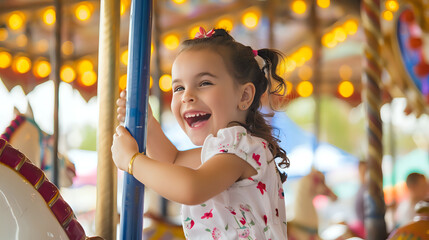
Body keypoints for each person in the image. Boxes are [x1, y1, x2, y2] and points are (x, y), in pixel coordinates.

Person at [112, 27, 290, 239]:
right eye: (178, 88)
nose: (187, 96)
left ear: (244, 96)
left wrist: (132, 162)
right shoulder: (224, 151)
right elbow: (172, 160)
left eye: (204, 83)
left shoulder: (241, 148)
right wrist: (148, 124)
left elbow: (191, 188)